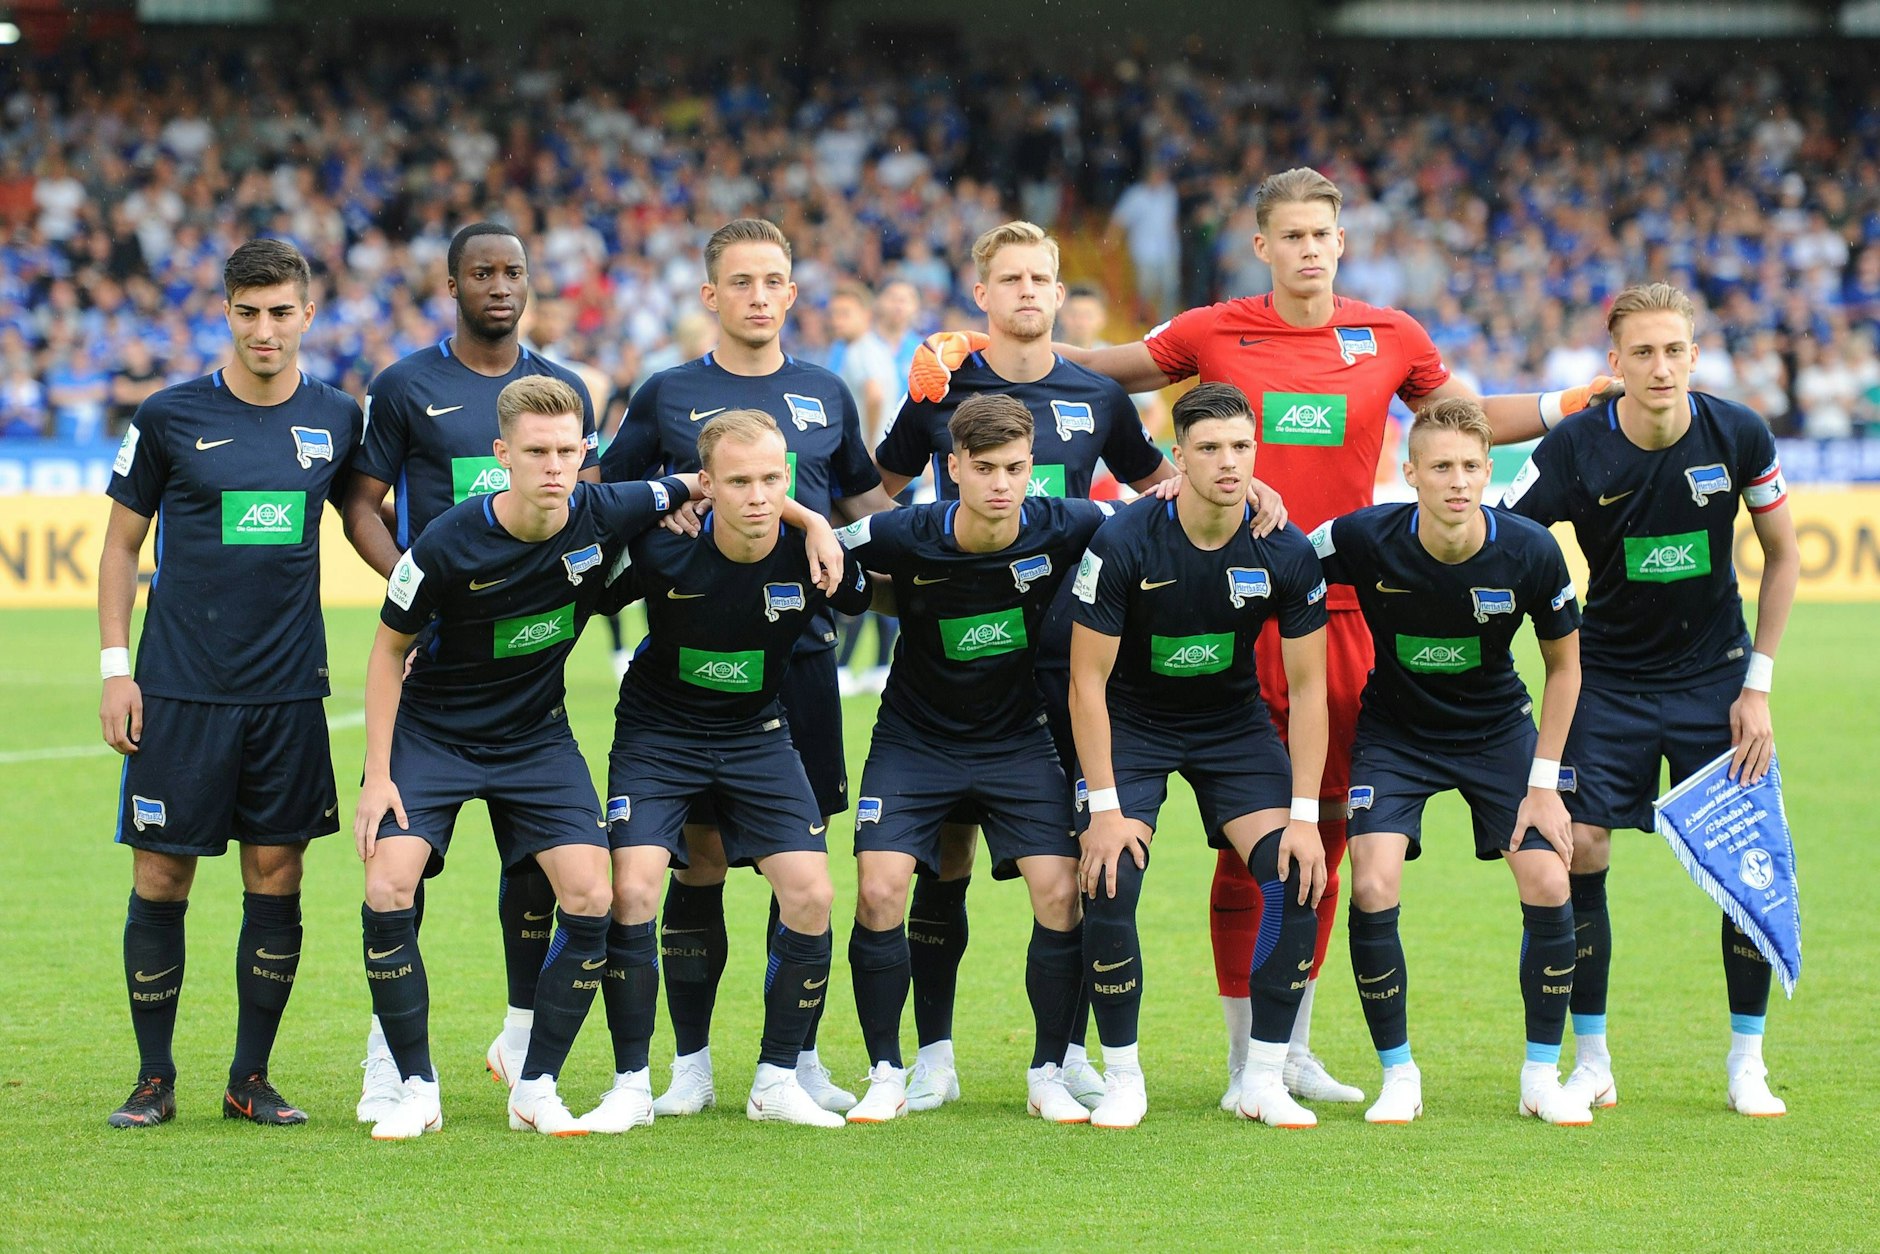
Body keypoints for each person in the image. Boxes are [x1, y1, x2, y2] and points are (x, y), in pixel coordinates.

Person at [908, 166, 1611, 1110]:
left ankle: (1288, 1046)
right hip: (1221, 615)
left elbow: (1463, 423)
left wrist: (1570, 403)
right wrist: (979, 348)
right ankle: (1242, 1051)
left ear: (1342, 241)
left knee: (1311, 831)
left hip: (1340, 617)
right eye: (1293, 235)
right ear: (1264, 246)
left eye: (1325, 233)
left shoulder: (1391, 336)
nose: (1310, 249)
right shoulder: (1212, 330)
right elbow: (1104, 369)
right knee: (1233, 849)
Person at [600, 218, 895, 1117]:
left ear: (793, 293)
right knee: (696, 864)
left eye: (775, 280)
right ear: (711, 296)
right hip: (690, 662)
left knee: (794, 863)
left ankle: (793, 1059)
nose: (760, 296)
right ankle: (688, 1063)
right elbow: (608, 502)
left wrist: (846, 529)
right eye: (742, 282)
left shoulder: (826, 392)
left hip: (797, 665)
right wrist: (666, 510)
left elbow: (865, 505)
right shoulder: (667, 393)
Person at [352, 377, 696, 1140]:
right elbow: (386, 651)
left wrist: (800, 522)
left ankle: (534, 1083)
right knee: (387, 885)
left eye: (568, 452)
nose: (553, 467)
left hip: (536, 738)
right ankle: (413, 1086)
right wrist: (377, 777)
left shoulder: (606, 509)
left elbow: (709, 480)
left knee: (591, 895)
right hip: (434, 733)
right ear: (501, 455)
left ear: (585, 454)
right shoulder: (444, 541)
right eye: (536, 452)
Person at [1502, 282, 1801, 1117]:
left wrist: (1759, 687)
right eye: (1643, 352)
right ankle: (1592, 1057)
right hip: (1610, 681)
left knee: (1745, 860)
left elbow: (1783, 556)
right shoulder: (1574, 447)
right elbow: (1503, 532)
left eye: (1675, 350)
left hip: (1718, 683)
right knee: (1584, 848)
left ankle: (1748, 1060)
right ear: (1615, 363)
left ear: (1695, 357)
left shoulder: (1737, 431)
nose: (1660, 366)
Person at [97, 238, 363, 1128]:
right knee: (162, 880)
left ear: (307, 315)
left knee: (276, 875)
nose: (265, 329)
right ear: (226, 313)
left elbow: (366, 518)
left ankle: (250, 1079)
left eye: (281, 311)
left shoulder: (337, 417)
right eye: (248, 312)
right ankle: (152, 1077)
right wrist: (115, 670)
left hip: (288, 693)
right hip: (178, 689)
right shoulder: (169, 415)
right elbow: (118, 548)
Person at [340, 222, 602, 1121]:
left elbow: (600, 513)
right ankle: (394, 1058)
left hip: (528, 698)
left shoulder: (560, 391)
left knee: (548, 876)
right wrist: (432, 594)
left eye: (514, 271)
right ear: (451, 283)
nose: (499, 284)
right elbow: (361, 507)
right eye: (481, 272)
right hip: (439, 669)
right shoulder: (406, 385)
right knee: (395, 872)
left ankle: (527, 1042)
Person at [1308, 398, 1588, 1125]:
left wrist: (1546, 785)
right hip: (1396, 733)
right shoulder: (1365, 537)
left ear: (1487, 471)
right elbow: (1280, 559)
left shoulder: (1530, 550)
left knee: (1551, 881)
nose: (1457, 481)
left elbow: (1565, 670)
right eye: (1441, 467)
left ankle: (1540, 1075)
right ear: (1411, 474)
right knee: (1370, 883)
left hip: (1497, 732)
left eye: (1470, 466)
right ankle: (1398, 1075)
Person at [837, 395, 1107, 1125]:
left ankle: (1049, 1071)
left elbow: (1155, 521)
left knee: (1060, 893)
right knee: (880, 890)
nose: (1000, 484)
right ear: (951, 468)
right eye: (982, 469)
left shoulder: (1071, 522)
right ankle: (896, 1070)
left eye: (1015, 468)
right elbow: (826, 543)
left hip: (1019, 737)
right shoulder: (905, 531)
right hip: (914, 739)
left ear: (1032, 469)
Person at [590, 409, 862, 1131]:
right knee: (635, 890)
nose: (758, 495)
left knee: (811, 894)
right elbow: (568, 590)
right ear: (705, 485)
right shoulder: (660, 549)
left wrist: (818, 525)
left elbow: (908, 584)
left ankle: (776, 1080)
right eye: (738, 481)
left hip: (756, 737)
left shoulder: (815, 556)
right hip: (657, 735)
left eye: (773, 479)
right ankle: (636, 1083)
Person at [1067, 383, 1330, 1130]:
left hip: (1232, 728)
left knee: (1298, 872)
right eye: (1209, 448)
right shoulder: (1125, 541)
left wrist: (1305, 817)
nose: (1228, 462)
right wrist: (1107, 809)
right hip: (1134, 724)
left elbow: (1310, 693)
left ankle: (1263, 1078)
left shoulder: (1283, 546)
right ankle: (1122, 1077)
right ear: (1176, 456)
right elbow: (1085, 682)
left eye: (1241, 447)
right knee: (1109, 876)